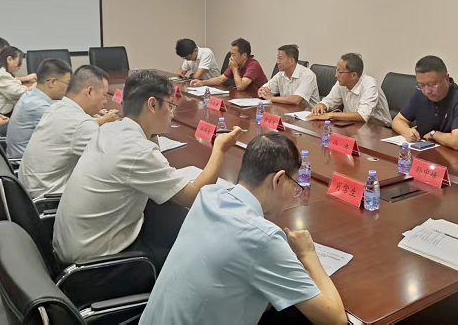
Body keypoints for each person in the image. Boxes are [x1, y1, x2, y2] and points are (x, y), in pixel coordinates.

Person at [139, 133, 347, 325]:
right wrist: (308, 253)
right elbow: (336, 319)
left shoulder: (208, 197)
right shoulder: (262, 238)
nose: (294, 192)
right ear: (278, 179)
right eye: (295, 185)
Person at [52, 70, 242, 271]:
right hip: (93, 267)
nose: (172, 114)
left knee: (171, 213)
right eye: (169, 106)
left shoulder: (110, 129)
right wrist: (219, 149)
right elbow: (193, 196)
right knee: (192, 257)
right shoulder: (138, 150)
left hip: (75, 244)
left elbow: (155, 156)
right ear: (152, 104)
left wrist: (152, 130)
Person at [19, 65, 118, 198]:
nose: (105, 101)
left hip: (29, 193)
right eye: (104, 95)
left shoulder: (56, 107)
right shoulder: (81, 124)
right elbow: (113, 164)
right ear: (89, 91)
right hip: (50, 200)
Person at [391, 56, 458, 151]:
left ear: (446, 78)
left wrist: (433, 134)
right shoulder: (420, 93)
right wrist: (407, 131)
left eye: (432, 85)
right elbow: (397, 120)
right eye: (421, 85)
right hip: (428, 152)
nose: (427, 91)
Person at [6, 59, 72, 158]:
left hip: (30, 158)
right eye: (67, 83)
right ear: (52, 82)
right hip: (24, 162)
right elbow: (71, 130)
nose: (68, 88)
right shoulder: (37, 106)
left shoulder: (30, 96)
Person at [309, 53, 391, 127]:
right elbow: (329, 101)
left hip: (380, 130)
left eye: (340, 72)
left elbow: (362, 115)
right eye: (336, 70)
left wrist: (331, 115)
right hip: (354, 126)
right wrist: (321, 105)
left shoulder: (370, 84)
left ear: (354, 75)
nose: (336, 75)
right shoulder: (341, 83)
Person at [190, 38, 268, 94]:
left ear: (244, 55)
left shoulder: (253, 65)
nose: (231, 57)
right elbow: (220, 79)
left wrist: (234, 69)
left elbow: (240, 87)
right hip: (244, 98)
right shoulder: (237, 63)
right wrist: (202, 82)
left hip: (259, 100)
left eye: (233, 54)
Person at [0, 46, 36, 115]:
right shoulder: (1, 75)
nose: (21, 64)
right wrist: (36, 85)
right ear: (9, 59)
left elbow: (13, 84)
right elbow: (19, 93)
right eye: (20, 61)